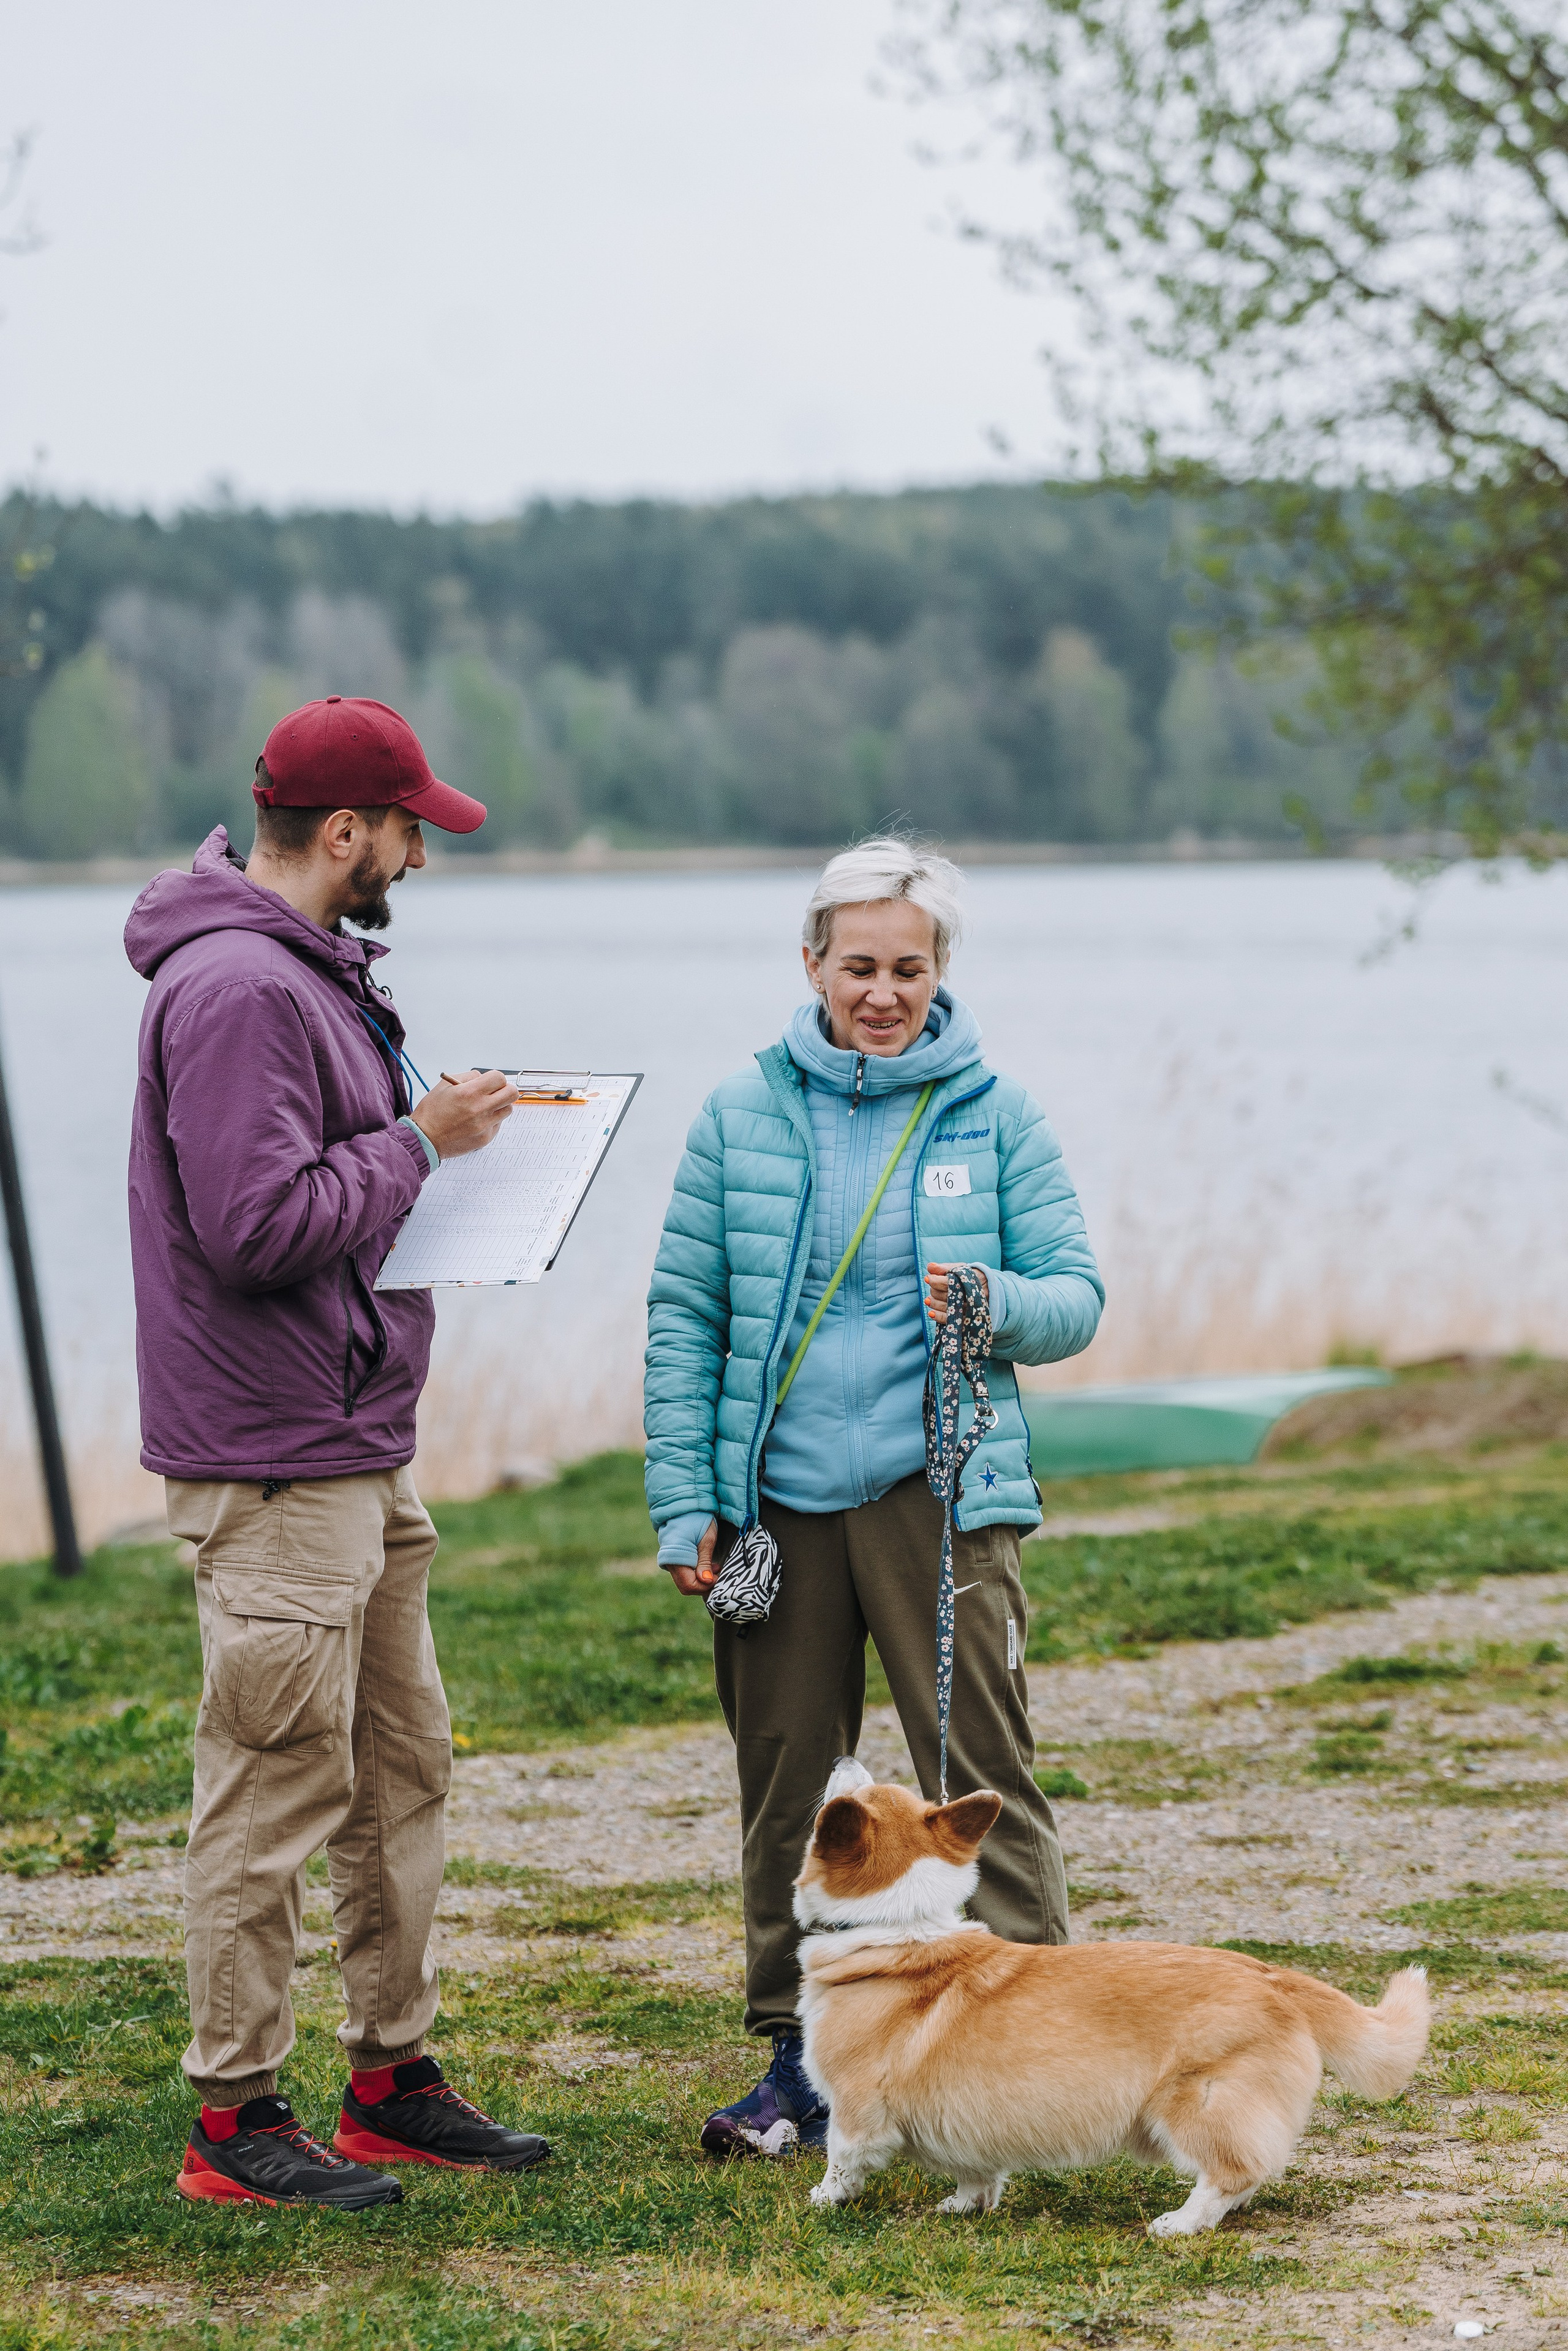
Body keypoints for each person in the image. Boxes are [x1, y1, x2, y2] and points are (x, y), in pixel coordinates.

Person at [126, 695, 550, 2209]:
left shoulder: (311, 975)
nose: (420, 855)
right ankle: (235, 2120)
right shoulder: (241, 987)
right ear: (346, 829)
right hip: (276, 1454)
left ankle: (392, 2078)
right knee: (272, 1779)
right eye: (409, 825)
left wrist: (431, 1135)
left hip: (355, 1440)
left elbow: (322, 1189)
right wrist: (421, 1142)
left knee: (395, 1767)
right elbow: (253, 1229)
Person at [644, 837, 1104, 2159]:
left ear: (939, 971)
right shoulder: (740, 1112)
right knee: (791, 1784)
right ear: (811, 964)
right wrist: (690, 1504)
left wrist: (997, 1303)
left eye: (907, 966)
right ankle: (799, 2060)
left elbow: (1074, 1296)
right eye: (858, 965)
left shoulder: (994, 1113)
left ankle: (1038, 2046)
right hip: (777, 1505)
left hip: (940, 1491)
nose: (881, 990)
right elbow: (684, 1316)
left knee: (977, 1773)